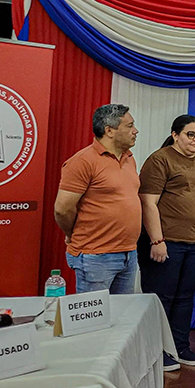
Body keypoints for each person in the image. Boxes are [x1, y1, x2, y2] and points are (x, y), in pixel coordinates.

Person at [139, 115, 195, 371]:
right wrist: (157, 240)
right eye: (190, 134)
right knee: (162, 297)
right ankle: (157, 349)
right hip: (167, 241)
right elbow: (148, 202)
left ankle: (180, 347)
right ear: (175, 135)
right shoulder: (160, 159)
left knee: (186, 296)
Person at [54, 104, 141, 294]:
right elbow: (62, 209)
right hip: (95, 256)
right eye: (129, 126)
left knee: (123, 317)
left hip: (128, 253)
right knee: (93, 319)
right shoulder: (83, 161)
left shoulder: (129, 158)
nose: (135, 131)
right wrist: (73, 231)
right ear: (109, 131)